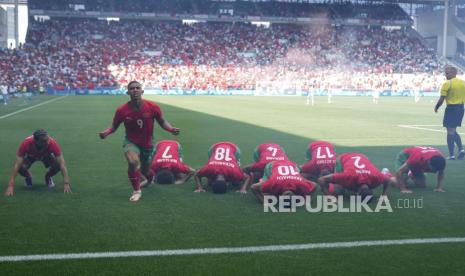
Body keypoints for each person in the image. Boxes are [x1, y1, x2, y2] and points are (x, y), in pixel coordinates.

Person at [99, 81, 180, 202]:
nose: (135, 90)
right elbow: (114, 127)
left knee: (146, 170)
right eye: (132, 88)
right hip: (131, 142)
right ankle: (136, 190)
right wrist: (106, 132)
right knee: (133, 162)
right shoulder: (121, 110)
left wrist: (170, 128)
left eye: (137, 88)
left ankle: (150, 179)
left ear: (142, 91)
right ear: (128, 92)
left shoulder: (153, 107)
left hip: (147, 143)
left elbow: (162, 121)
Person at [4, 129, 71, 196]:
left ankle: (48, 177)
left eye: (48, 139)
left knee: (58, 165)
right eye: (44, 141)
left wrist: (66, 183)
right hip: (31, 156)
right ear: (36, 141)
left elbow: (62, 163)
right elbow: (17, 164)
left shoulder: (52, 143)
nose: (48, 142)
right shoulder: (26, 143)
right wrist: (11, 185)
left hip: (46, 156)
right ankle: (28, 177)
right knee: (20, 167)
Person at [317, 153, 395, 200]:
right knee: (339, 191)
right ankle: (326, 172)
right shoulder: (347, 176)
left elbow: (388, 180)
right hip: (344, 158)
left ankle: (385, 172)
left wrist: (385, 196)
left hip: (363, 157)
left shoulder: (376, 178)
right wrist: (329, 196)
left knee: (345, 187)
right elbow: (321, 180)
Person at [434, 66, 465, 160]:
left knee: (450, 132)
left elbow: (442, 99)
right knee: (453, 130)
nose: (446, 75)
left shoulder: (447, 83)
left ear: (454, 73)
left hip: (451, 108)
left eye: (447, 73)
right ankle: (461, 150)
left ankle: (451, 155)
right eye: (445, 73)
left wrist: (436, 107)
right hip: (461, 108)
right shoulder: (463, 83)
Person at [251, 160, 317, 203]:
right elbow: (254, 187)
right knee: (266, 192)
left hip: (291, 164)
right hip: (273, 165)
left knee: (267, 194)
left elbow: (315, 185)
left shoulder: (301, 184)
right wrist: (263, 202)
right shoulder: (273, 182)